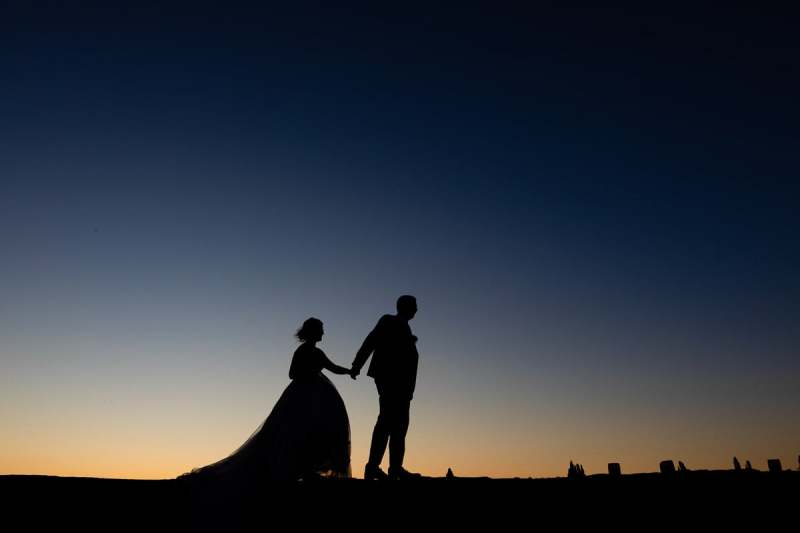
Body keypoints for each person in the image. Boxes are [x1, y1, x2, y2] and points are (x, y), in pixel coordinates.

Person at [180, 318, 352, 483]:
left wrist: (350, 371)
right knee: (295, 432)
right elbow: (292, 374)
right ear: (313, 332)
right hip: (301, 396)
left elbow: (333, 367)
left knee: (314, 430)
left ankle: (306, 469)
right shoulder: (302, 351)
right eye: (321, 329)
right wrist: (310, 372)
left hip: (316, 396)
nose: (323, 332)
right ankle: (296, 470)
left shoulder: (318, 352)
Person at [350, 295, 422, 480]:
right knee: (387, 422)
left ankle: (395, 468)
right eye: (414, 306)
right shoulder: (388, 320)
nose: (416, 309)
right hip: (390, 381)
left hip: (403, 386)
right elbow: (371, 341)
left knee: (399, 426)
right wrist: (357, 364)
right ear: (404, 307)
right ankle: (373, 467)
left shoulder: (406, 328)